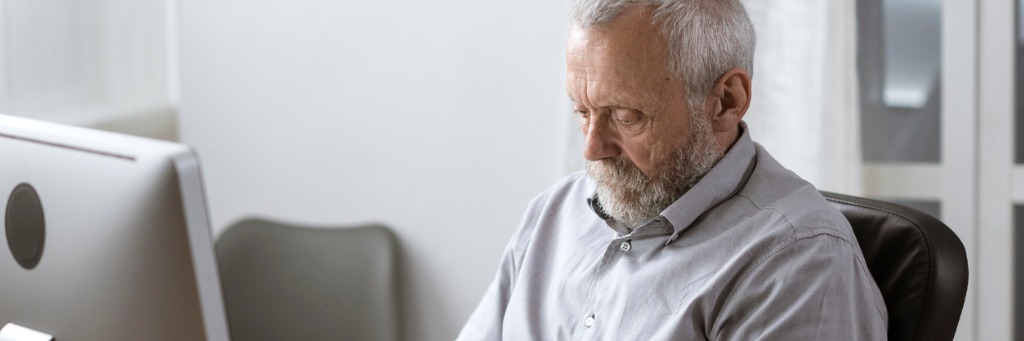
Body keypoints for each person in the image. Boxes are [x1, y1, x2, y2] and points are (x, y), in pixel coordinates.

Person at [457, 0, 887, 339]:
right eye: (582, 111)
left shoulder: (799, 261)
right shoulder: (553, 213)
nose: (592, 149)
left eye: (626, 116)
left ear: (727, 100)